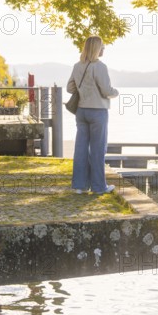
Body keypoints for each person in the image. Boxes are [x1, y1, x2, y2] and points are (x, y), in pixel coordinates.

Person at [66, 35, 119, 195]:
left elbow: (69, 88)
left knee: (80, 148)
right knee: (98, 149)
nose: (103, 49)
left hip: (81, 111)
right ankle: (98, 187)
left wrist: (84, 91)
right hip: (97, 112)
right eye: (102, 46)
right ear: (97, 48)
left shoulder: (77, 66)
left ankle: (79, 186)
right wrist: (116, 92)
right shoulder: (100, 67)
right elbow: (107, 91)